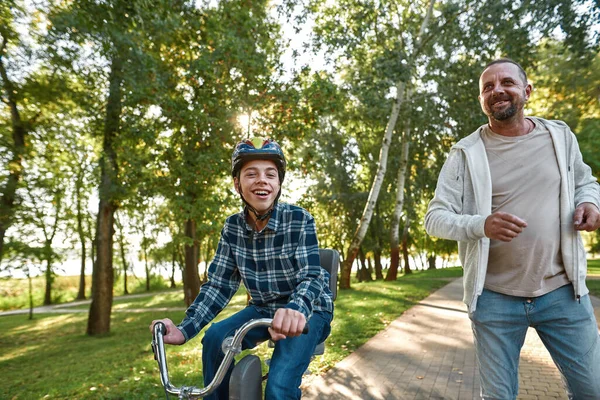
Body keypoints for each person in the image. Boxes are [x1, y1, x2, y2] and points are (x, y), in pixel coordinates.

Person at [424, 58, 600, 399]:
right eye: (487, 87)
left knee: (592, 389)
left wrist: (591, 204)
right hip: (494, 298)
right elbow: (435, 218)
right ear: (481, 100)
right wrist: (482, 224)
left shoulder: (560, 136)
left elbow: (585, 182)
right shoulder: (465, 153)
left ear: (526, 91)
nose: (497, 90)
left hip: (562, 292)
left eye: (507, 82)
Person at [150, 137, 334, 400]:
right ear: (237, 184)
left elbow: (312, 276)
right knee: (214, 339)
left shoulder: (300, 219)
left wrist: (295, 310)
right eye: (251, 174)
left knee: (279, 384)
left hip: (308, 311)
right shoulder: (232, 228)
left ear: (278, 184)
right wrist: (184, 329)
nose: (262, 180)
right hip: (262, 308)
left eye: (271, 174)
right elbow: (218, 285)